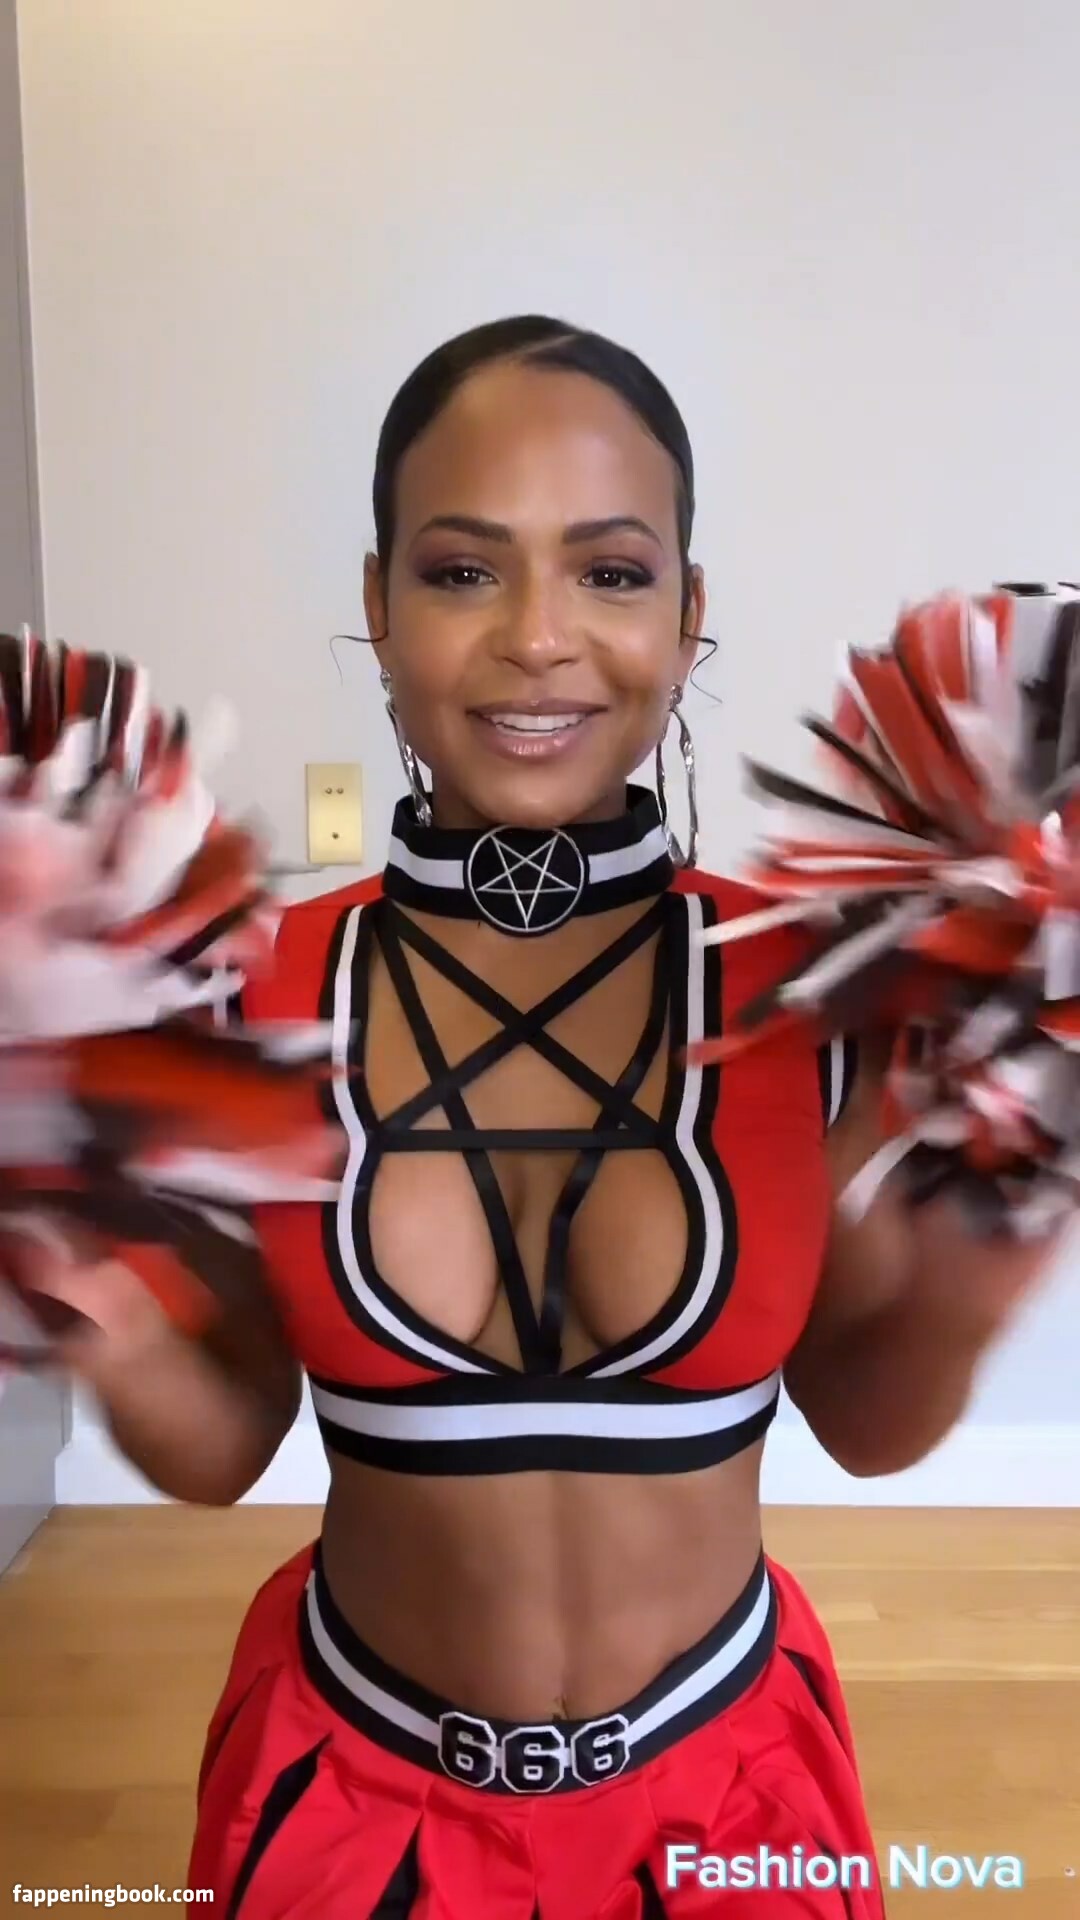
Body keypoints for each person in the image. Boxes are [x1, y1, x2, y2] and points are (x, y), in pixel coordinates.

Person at [27, 317, 1062, 1917]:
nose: (537, 639)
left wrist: (986, 1269)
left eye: (611, 572)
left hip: (731, 1802)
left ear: (688, 612)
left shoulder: (819, 994)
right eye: (462, 571)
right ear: (377, 606)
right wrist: (93, 1306)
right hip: (355, 1799)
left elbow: (867, 1421)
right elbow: (225, 1444)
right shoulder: (255, 996)